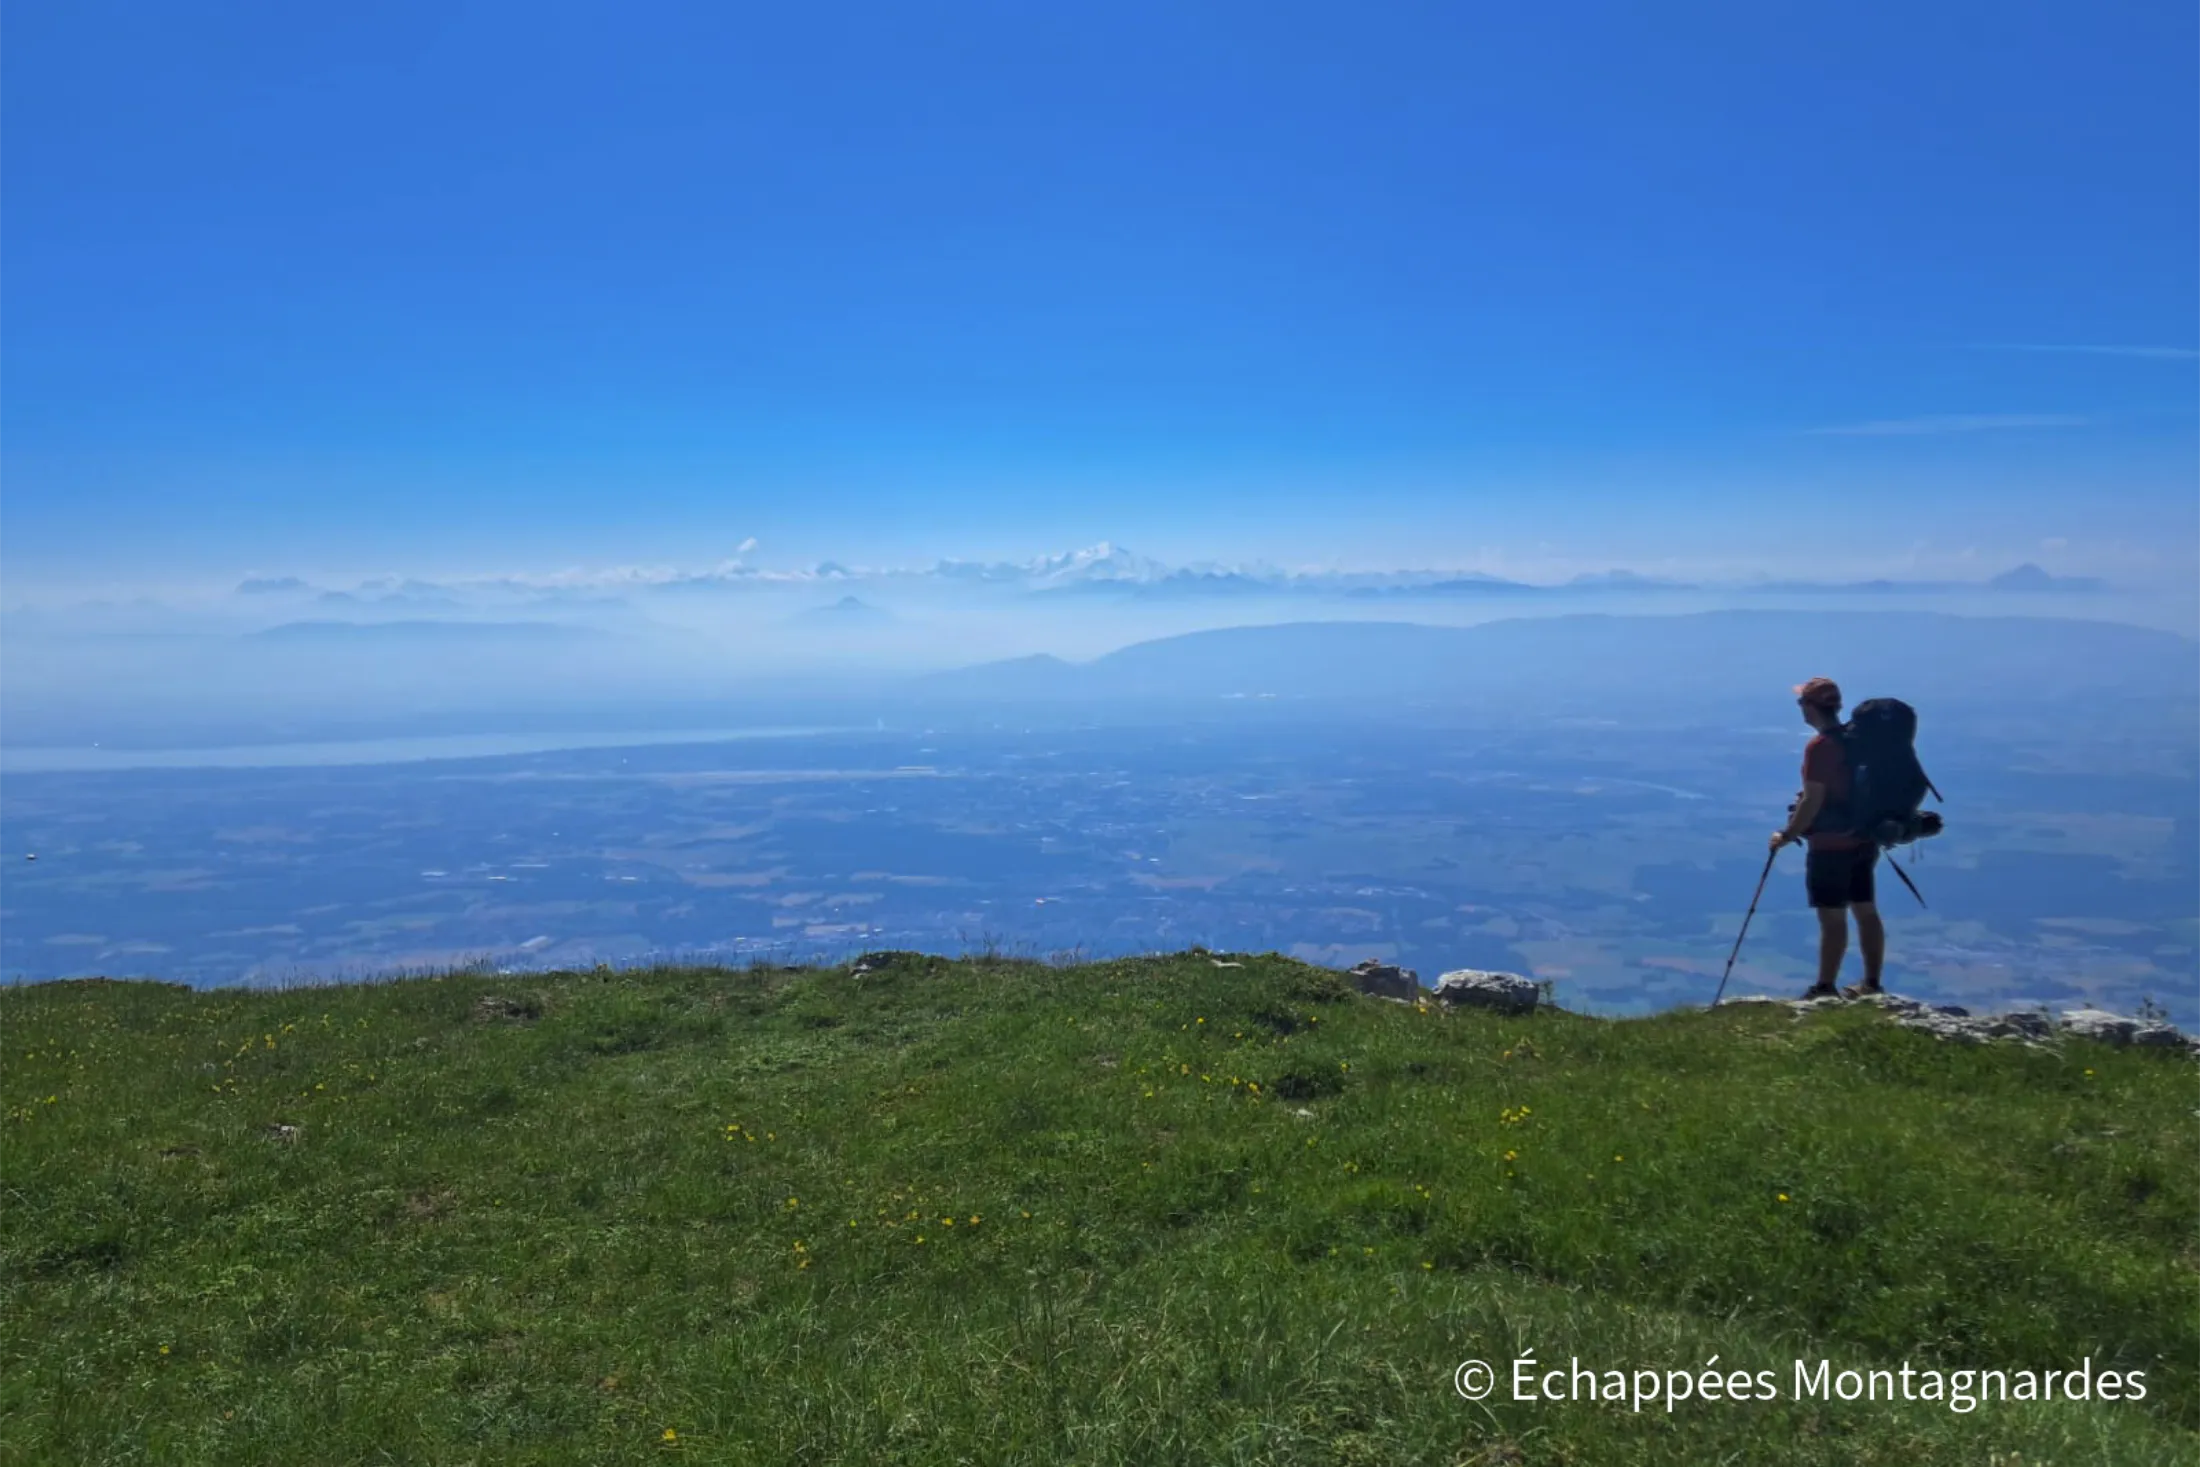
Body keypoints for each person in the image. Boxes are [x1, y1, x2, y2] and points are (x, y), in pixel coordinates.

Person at [1769, 676, 1885, 1000]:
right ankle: (1872, 983)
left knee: (1832, 917)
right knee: (1865, 909)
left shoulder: (1820, 748)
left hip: (1830, 845)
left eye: (1801, 703)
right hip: (1864, 838)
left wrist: (1787, 834)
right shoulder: (1856, 740)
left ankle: (1824, 987)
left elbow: (1812, 800)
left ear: (1810, 707)